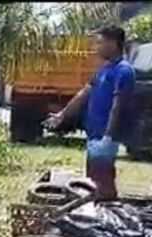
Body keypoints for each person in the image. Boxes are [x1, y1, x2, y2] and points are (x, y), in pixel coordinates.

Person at [45, 25, 136, 201]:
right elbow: (83, 94)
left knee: (103, 184)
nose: (97, 48)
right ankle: (100, 215)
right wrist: (62, 115)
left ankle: (109, 218)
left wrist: (108, 137)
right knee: (93, 180)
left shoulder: (123, 71)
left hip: (105, 135)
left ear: (113, 43)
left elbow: (118, 106)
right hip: (94, 133)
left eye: (100, 43)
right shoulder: (104, 69)